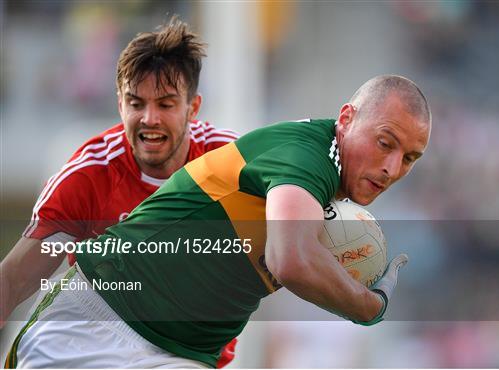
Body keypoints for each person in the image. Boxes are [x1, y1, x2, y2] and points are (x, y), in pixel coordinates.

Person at [4, 75, 431, 369]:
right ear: (346, 118)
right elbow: (291, 261)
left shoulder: (326, 186)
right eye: (384, 143)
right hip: (95, 328)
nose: (392, 167)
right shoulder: (308, 157)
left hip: (178, 354)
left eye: (409, 158)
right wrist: (369, 305)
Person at [0, 16, 239, 367]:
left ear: (193, 108)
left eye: (166, 104)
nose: (149, 118)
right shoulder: (89, 175)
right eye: (136, 103)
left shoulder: (233, 164)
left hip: (185, 353)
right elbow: (14, 280)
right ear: (119, 104)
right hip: (88, 345)